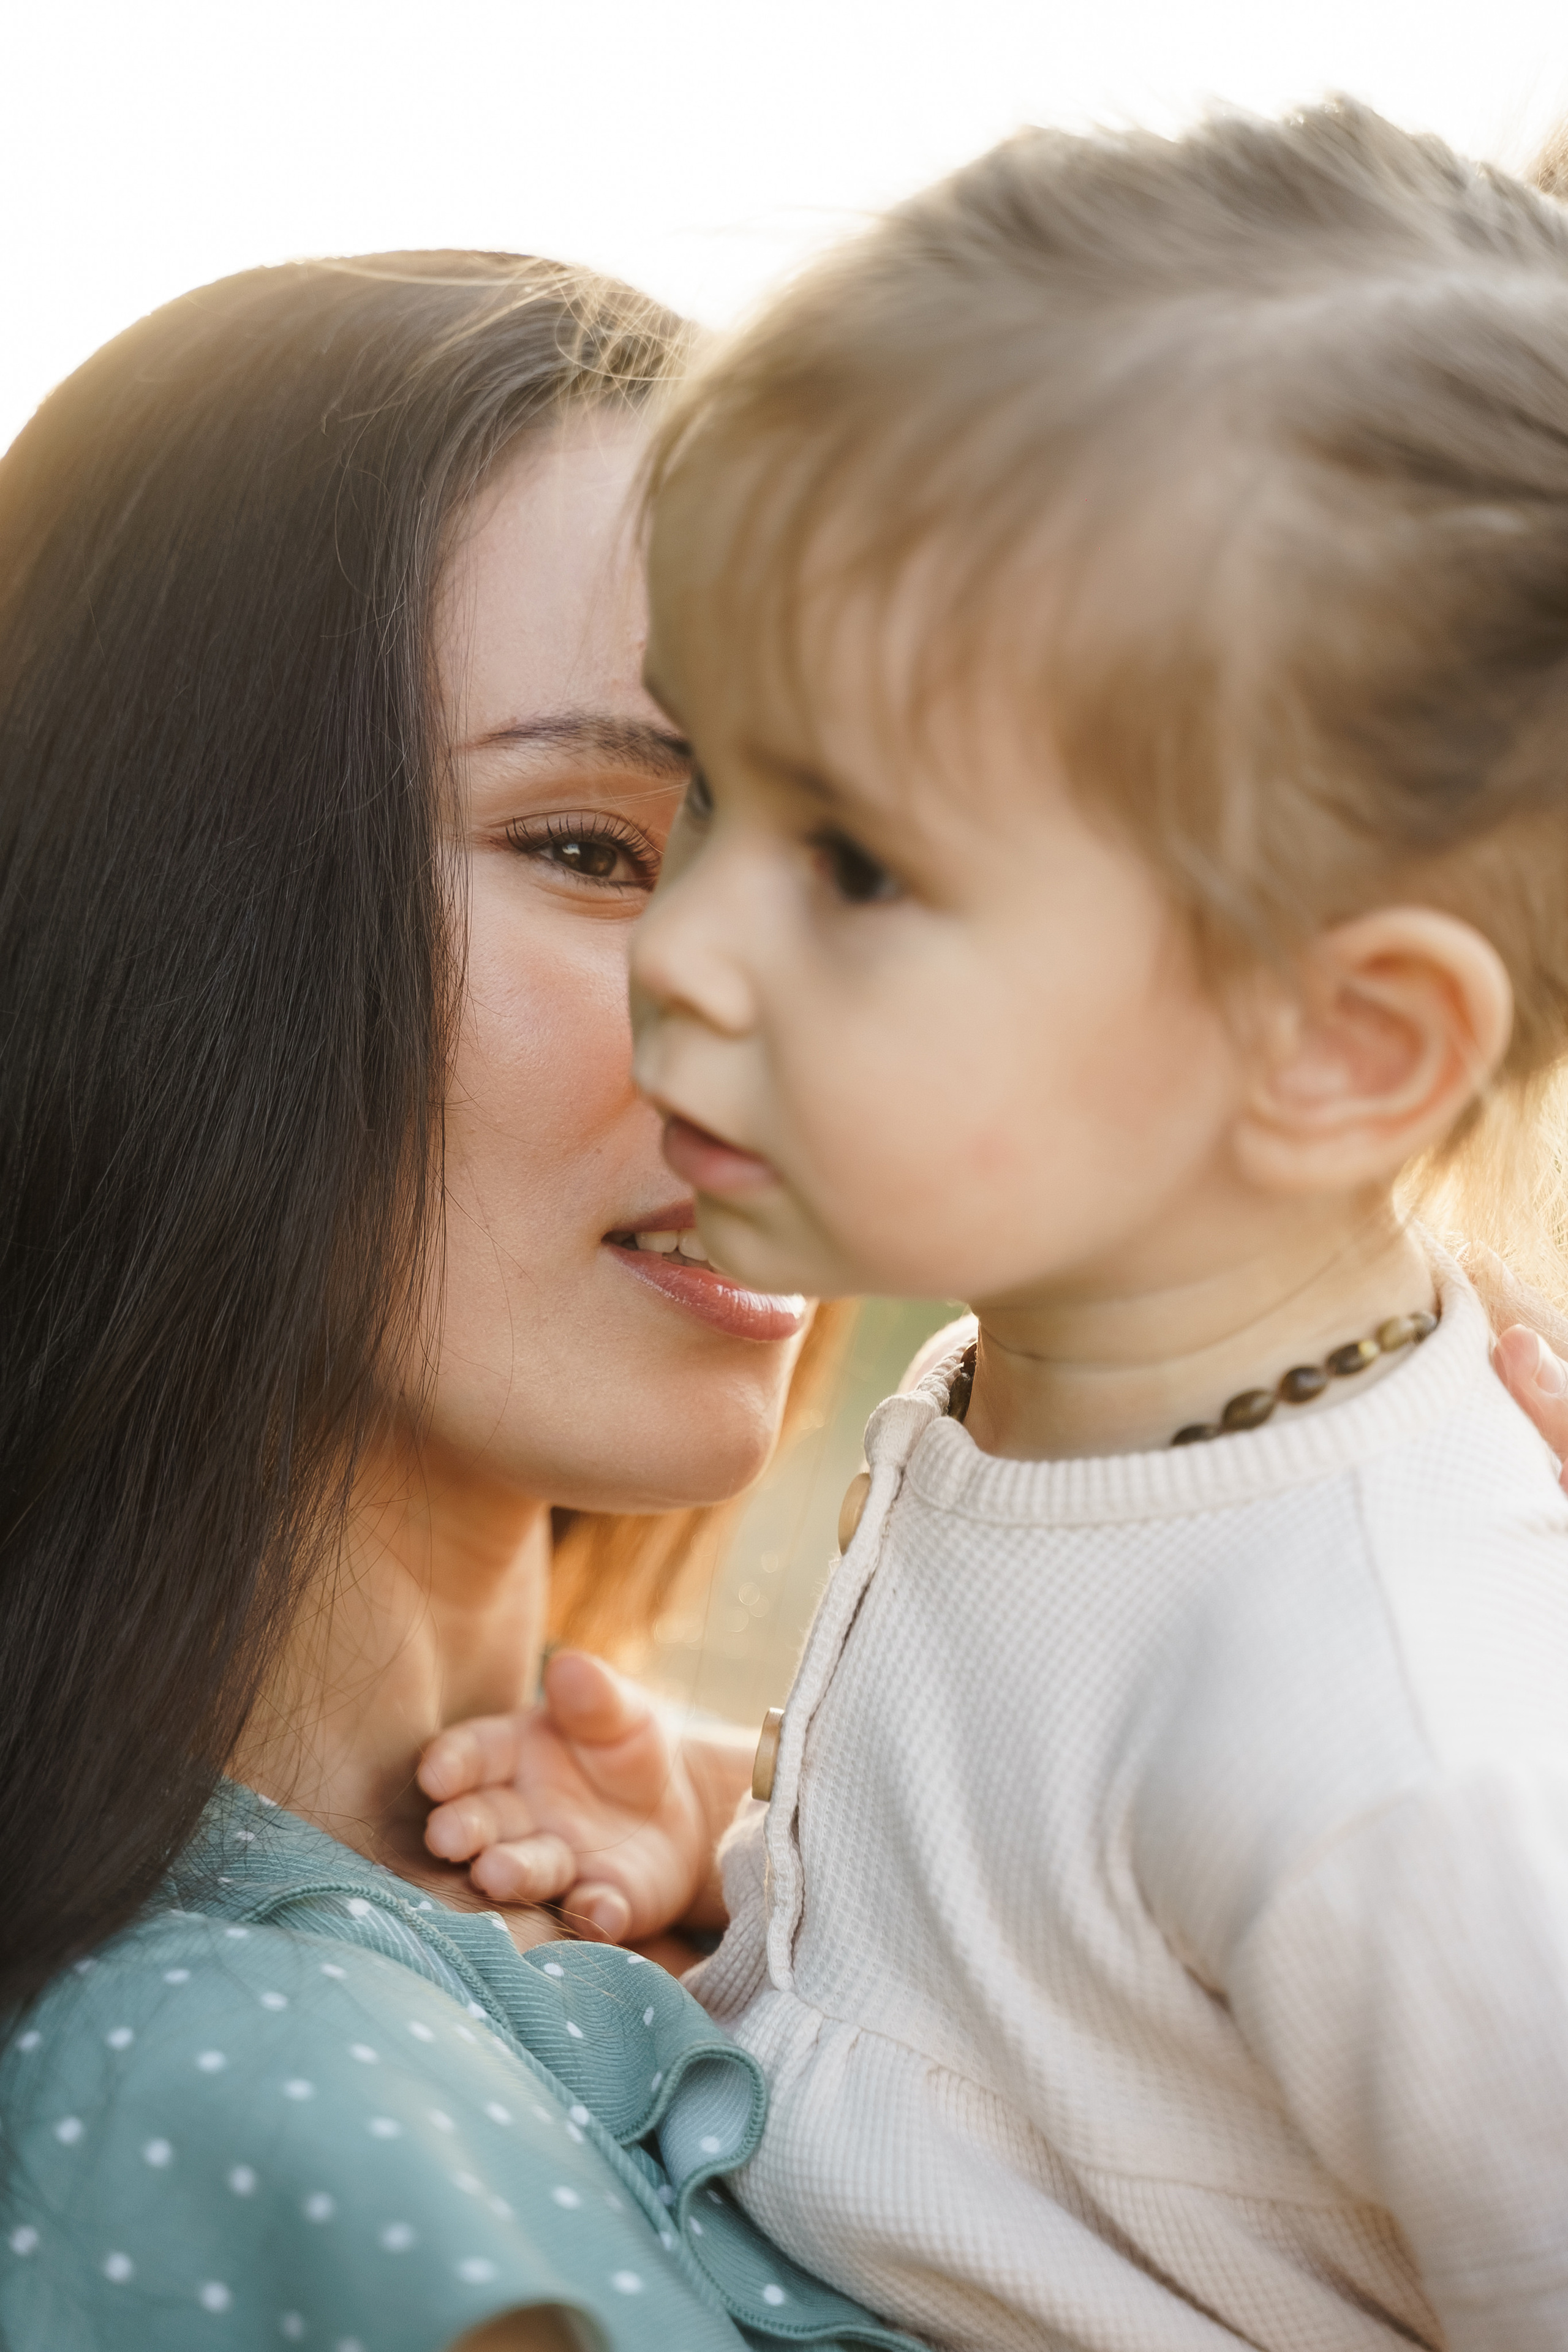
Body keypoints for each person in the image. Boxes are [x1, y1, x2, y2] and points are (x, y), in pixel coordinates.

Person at [613, 99, 1568, 2352]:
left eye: (853, 864)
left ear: (1337, 1042)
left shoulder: (1401, 1747)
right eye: (706, 792)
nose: (682, 949)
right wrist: (737, 1862)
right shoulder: (1054, 1391)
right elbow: (1070, 2017)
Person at [0, 250, 916, 2352]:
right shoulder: (216, 2085)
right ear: (160, 930)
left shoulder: (784, 1910)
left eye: (862, 875)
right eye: (601, 848)